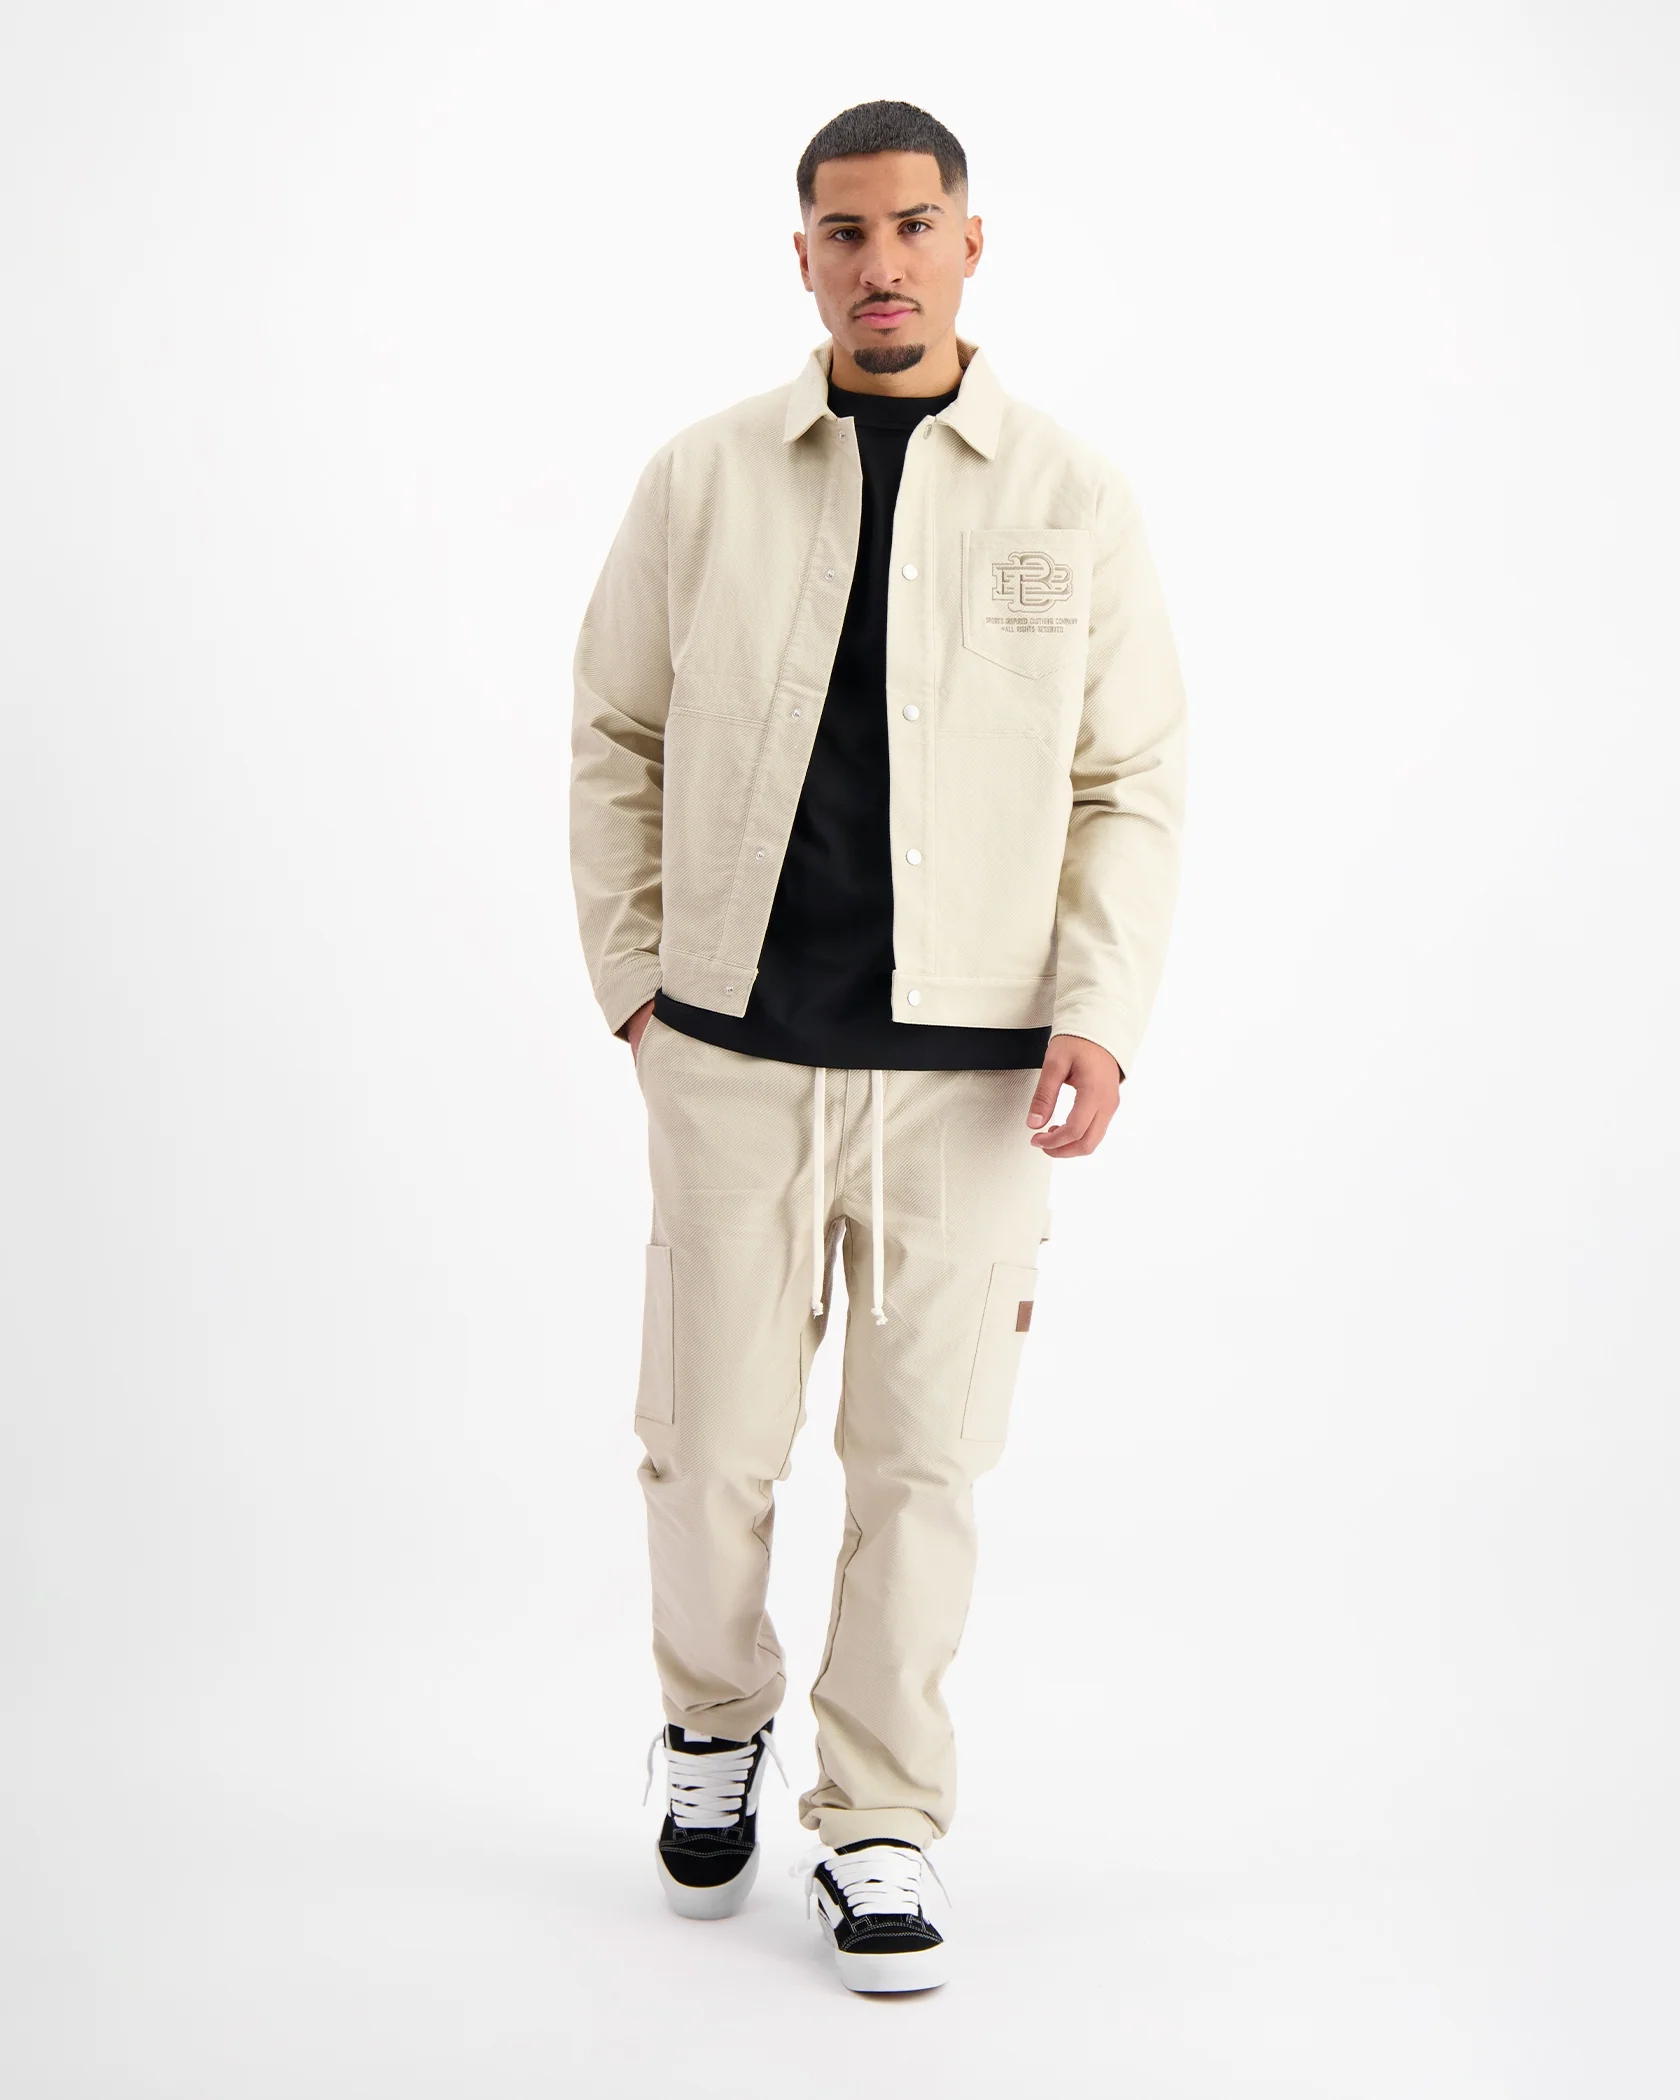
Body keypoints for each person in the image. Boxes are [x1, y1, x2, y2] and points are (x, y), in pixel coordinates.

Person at [569, 98, 1187, 1994]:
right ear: (806, 259)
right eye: (846, 234)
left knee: (925, 1467)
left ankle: (882, 1820)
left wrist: (1099, 1010)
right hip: (735, 1058)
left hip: (969, 1080)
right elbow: (616, 732)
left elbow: (1129, 779)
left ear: (970, 242)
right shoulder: (704, 479)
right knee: (707, 1450)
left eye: (915, 226)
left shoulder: (1069, 495)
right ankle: (712, 1723)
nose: (883, 264)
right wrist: (637, 978)